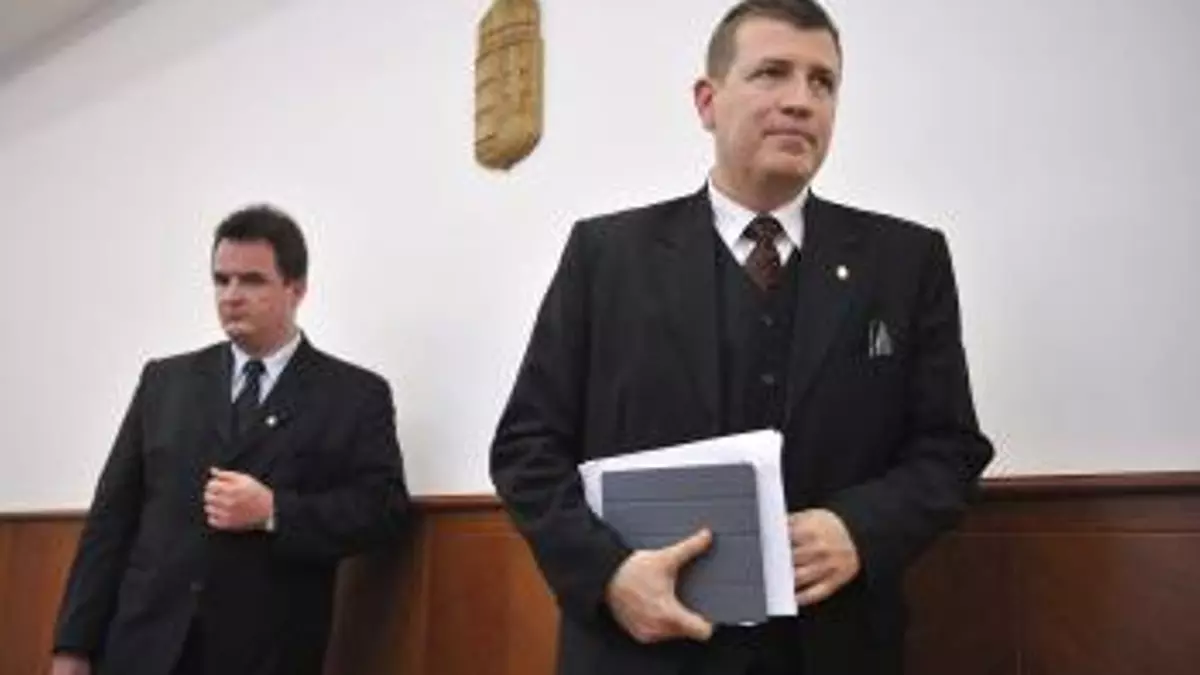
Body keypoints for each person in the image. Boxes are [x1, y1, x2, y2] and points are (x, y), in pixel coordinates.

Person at [489, 1, 994, 673]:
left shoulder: (907, 262)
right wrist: (608, 574)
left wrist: (861, 529)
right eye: (772, 73)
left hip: (836, 648)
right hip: (643, 652)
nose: (801, 100)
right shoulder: (605, 256)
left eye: (822, 82)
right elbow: (526, 447)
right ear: (708, 101)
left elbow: (950, 449)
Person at [49, 205, 410, 675]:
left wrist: (275, 511)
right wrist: (72, 646)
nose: (232, 296)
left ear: (296, 289)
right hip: (143, 649)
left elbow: (383, 510)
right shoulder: (164, 382)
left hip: (267, 652)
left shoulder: (353, 395)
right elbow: (110, 520)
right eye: (222, 280)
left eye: (252, 281)